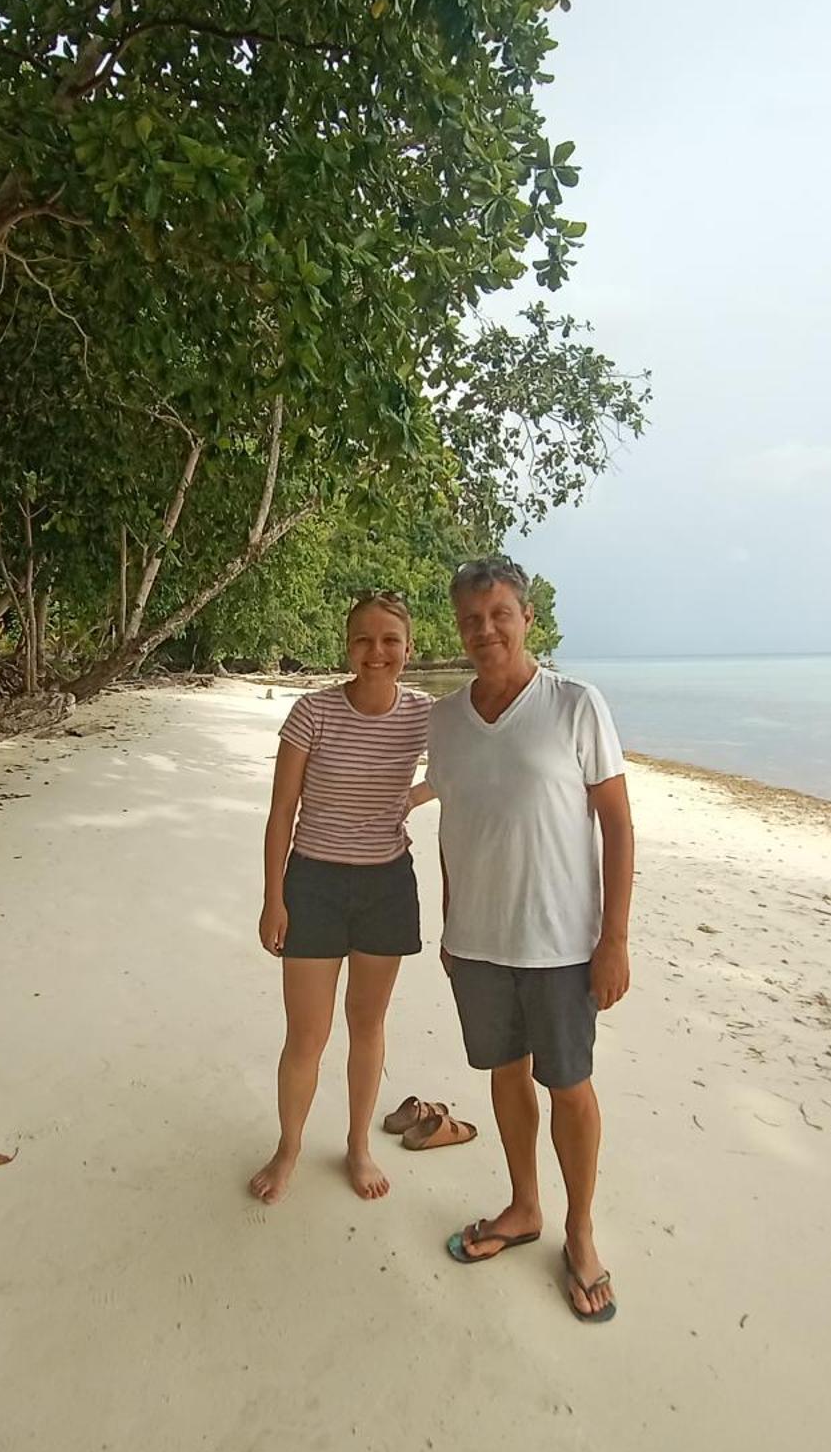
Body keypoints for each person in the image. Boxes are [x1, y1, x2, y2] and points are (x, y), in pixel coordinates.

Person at [427, 557, 634, 1321]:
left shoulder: (576, 706)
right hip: (476, 941)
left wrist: (614, 939)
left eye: (499, 615)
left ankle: (579, 1231)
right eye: (471, 620)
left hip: (562, 945)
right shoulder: (443, 721)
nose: (485, 631)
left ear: (526, 618)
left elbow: (616, 823)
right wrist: (449, 922)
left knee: (569, 1088)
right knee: (505, 1076)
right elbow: (456, 825)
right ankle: (524, 1207)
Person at [250, 593, 434, 1205]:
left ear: (409, 649)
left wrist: (416, 795)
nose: (376, 652)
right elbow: (281, 813)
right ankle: (289, 1148)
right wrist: (273, 898)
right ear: (347, 647)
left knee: (367, 1024)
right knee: (306, 1035)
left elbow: (482, 758)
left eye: (389, 640)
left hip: (387, 885)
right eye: (363, 639)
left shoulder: (426, 714)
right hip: (314, 882)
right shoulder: (312, 713)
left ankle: (358, 1145)